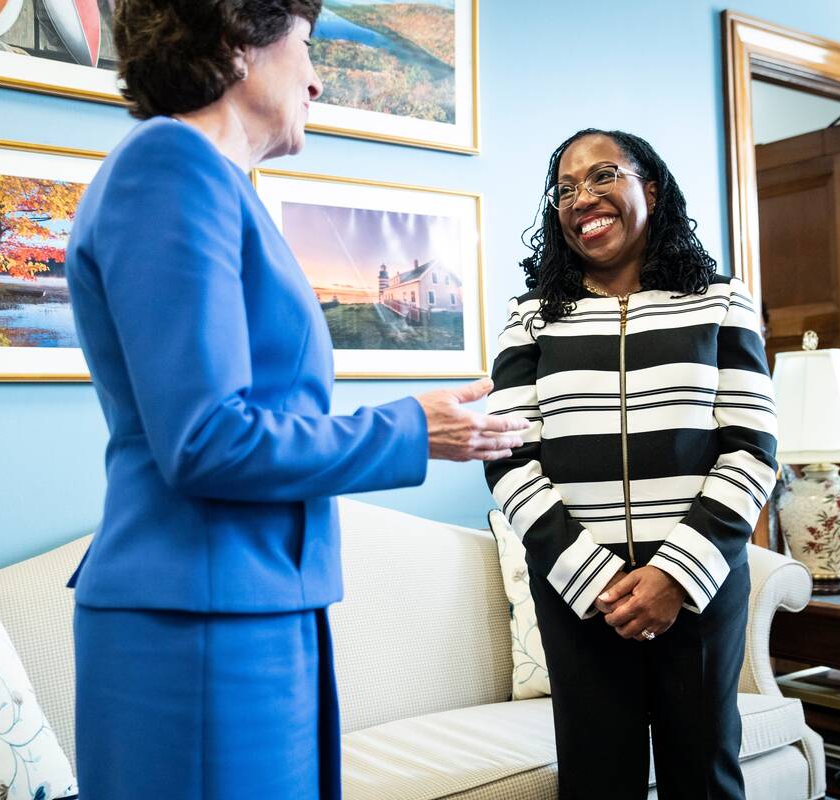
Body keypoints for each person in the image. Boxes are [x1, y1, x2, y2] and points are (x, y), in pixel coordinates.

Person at [64, 2, 527, 797]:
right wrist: (413, 429)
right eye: (307, 47)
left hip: (252, 606)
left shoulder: (220, 183)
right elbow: (206, 437)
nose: (316, 80)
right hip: (201, 621)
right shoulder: (169, 166)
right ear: (238, 41)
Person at [484, 129, 778, 800]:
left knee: (703, 776)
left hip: (698, 589)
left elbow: (753, 448)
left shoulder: (722, 301)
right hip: (577, 594)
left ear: (650, 188)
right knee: (596, 781)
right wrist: (592, 579)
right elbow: (509, 457)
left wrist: (674, 575)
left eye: (602, 176)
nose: (581, 197)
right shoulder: (531, 318)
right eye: (564, 189)